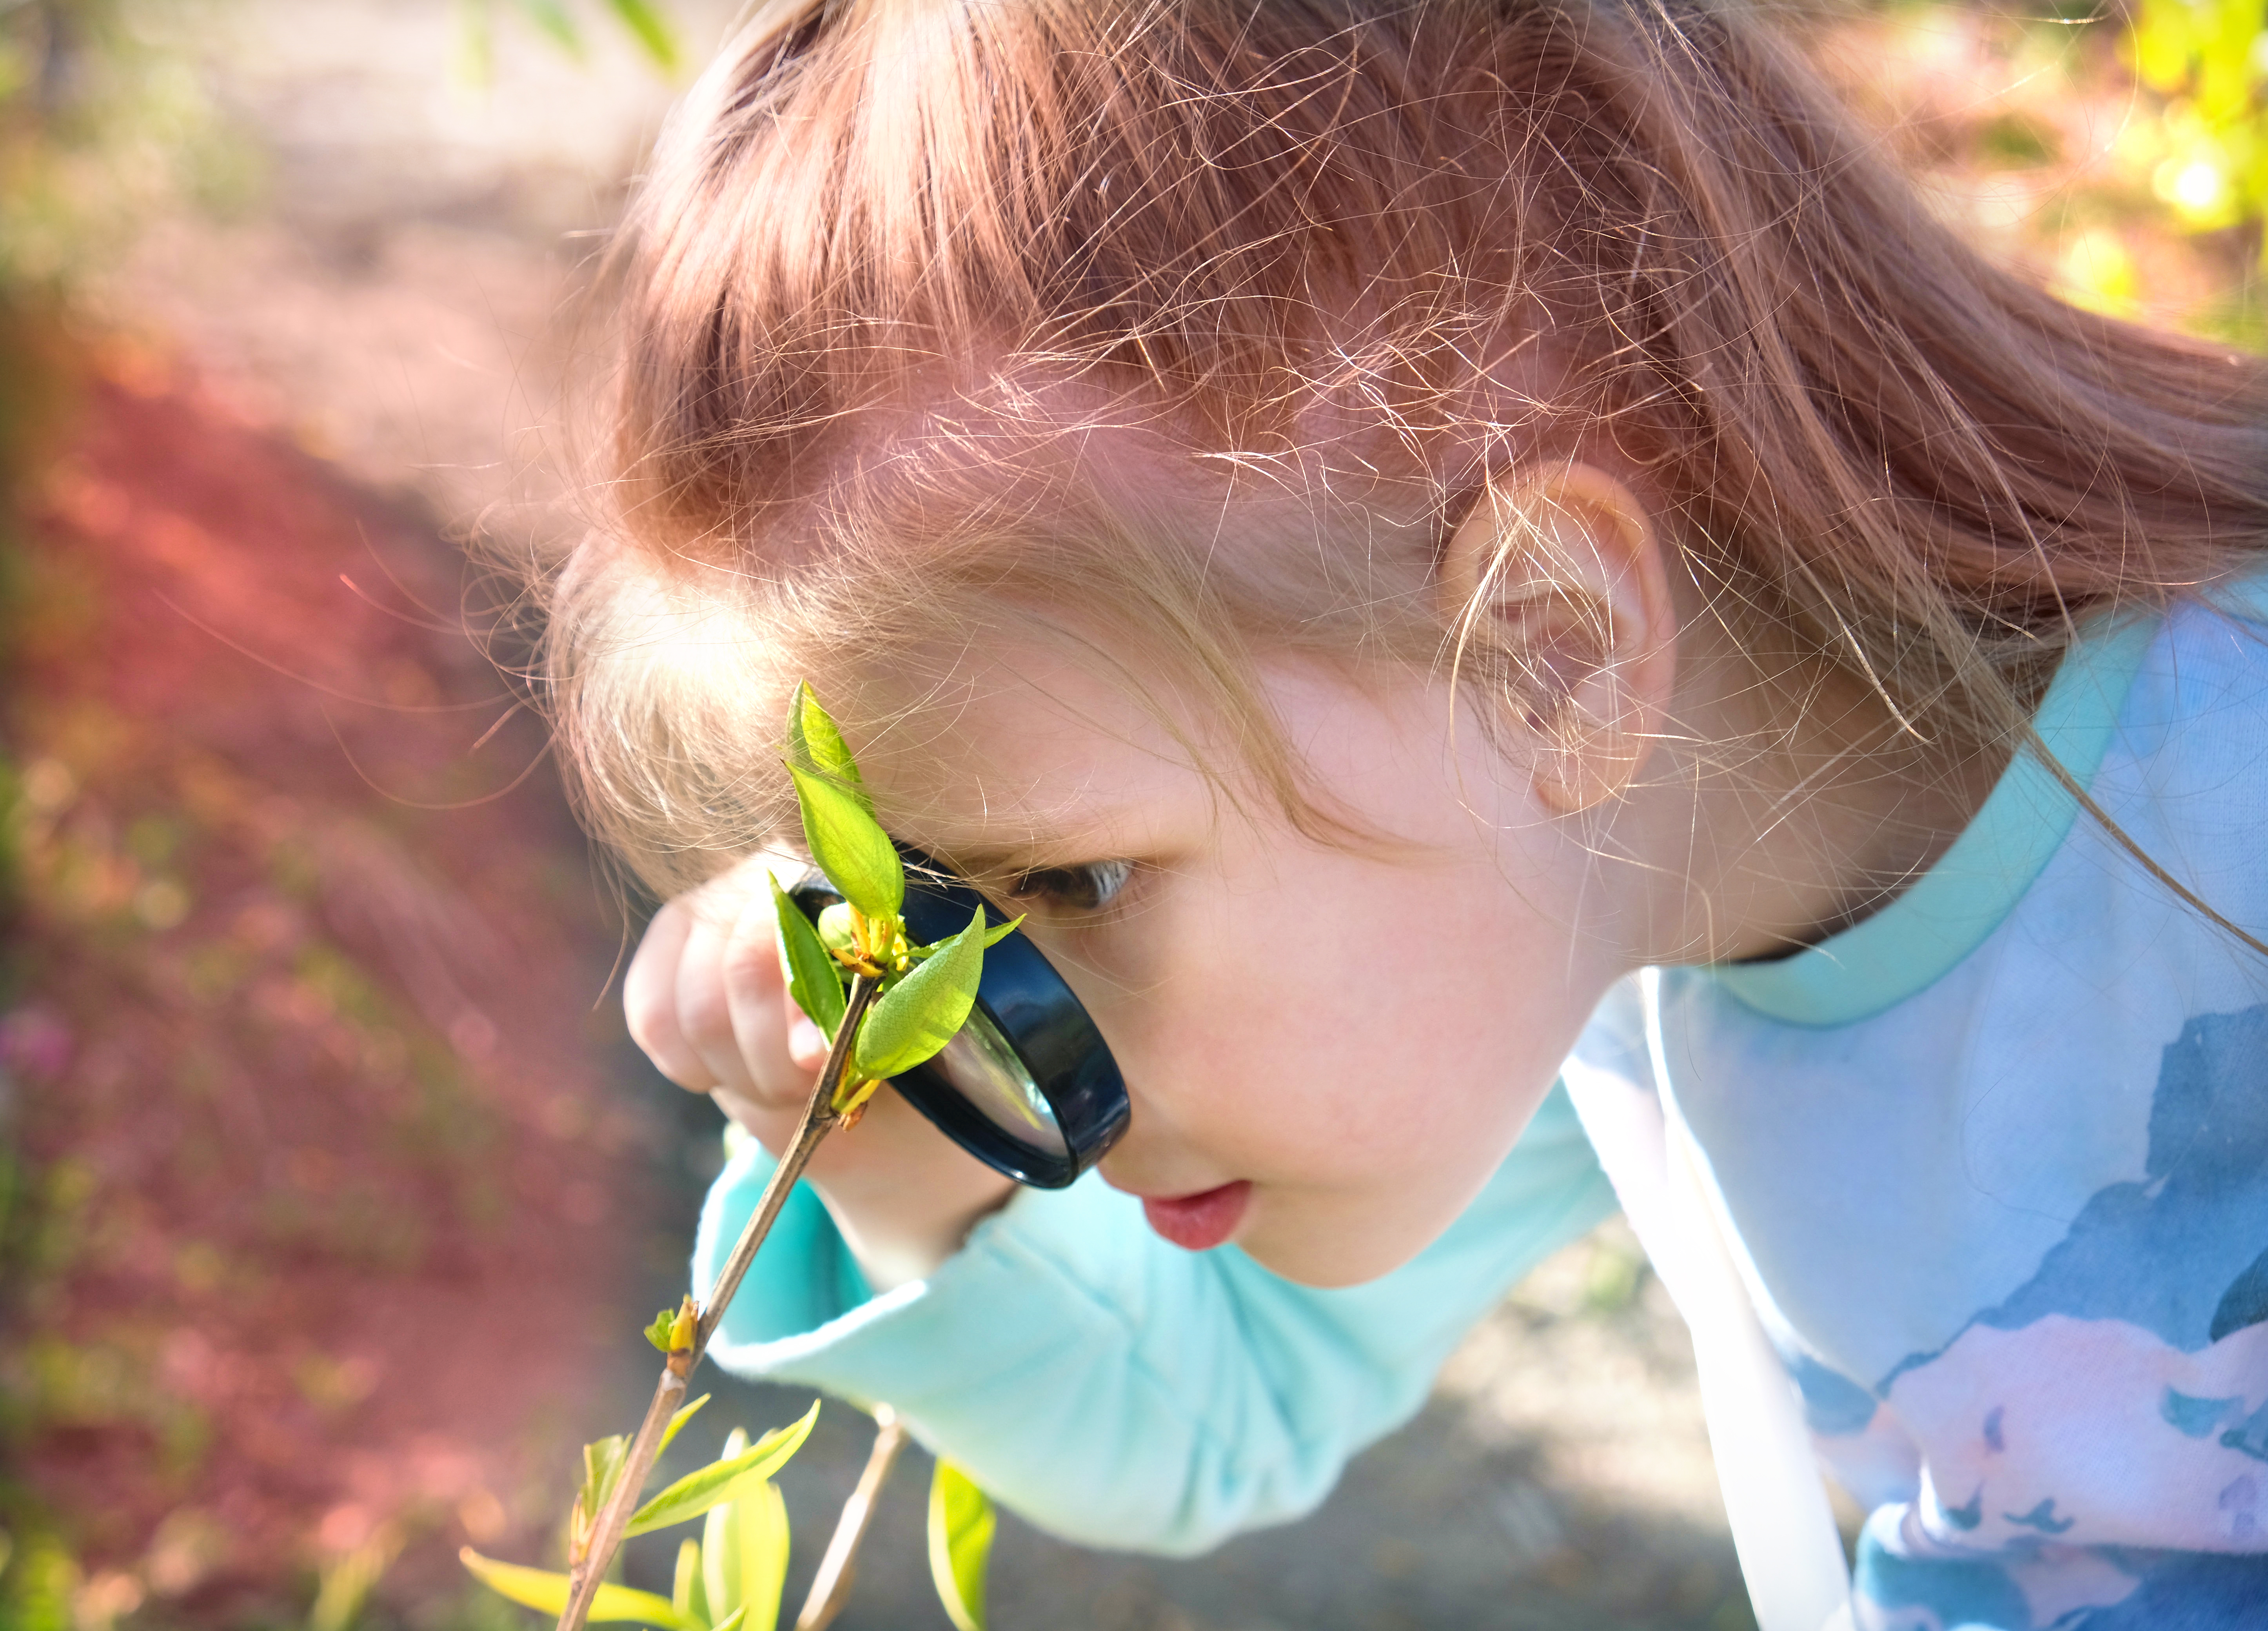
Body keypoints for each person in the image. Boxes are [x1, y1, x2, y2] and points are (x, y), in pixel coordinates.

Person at [544, 1, 2268, 1624]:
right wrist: (876, 1158)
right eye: (935, 923)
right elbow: (1209, 1405)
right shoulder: (1588, 919)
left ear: (1550, 646)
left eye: (1071, 881)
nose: (1003, 1027)